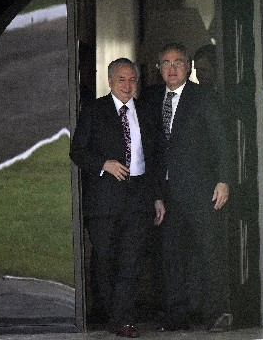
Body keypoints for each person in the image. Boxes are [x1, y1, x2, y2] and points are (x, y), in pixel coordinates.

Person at [141, 43, 234, 332]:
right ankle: (175, 316)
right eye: (166, 62)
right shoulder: (150, 98)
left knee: (209, 252)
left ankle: (216, 314)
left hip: (201, 190)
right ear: (158, 68)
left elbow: (222, 140)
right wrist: (155, 193)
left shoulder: (204, 97)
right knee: (170, 255)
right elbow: (151, 150)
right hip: (166, 194)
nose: (171, 68)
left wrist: (224, 180)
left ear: (189, 67)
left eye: (178, 62)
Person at [70, 58, 166, 338]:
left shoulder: (146, 112)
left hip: (138, 196)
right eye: (122, 80)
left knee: (131, 260)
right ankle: (110, 314)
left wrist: (157, 197)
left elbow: (156, 158)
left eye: (132, 79)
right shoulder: (95, 110)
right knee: (105, 259)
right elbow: (78, 150)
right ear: (110, 82)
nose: (128, 85)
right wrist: (104, 164)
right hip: (105, 200)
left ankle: (124, 318)